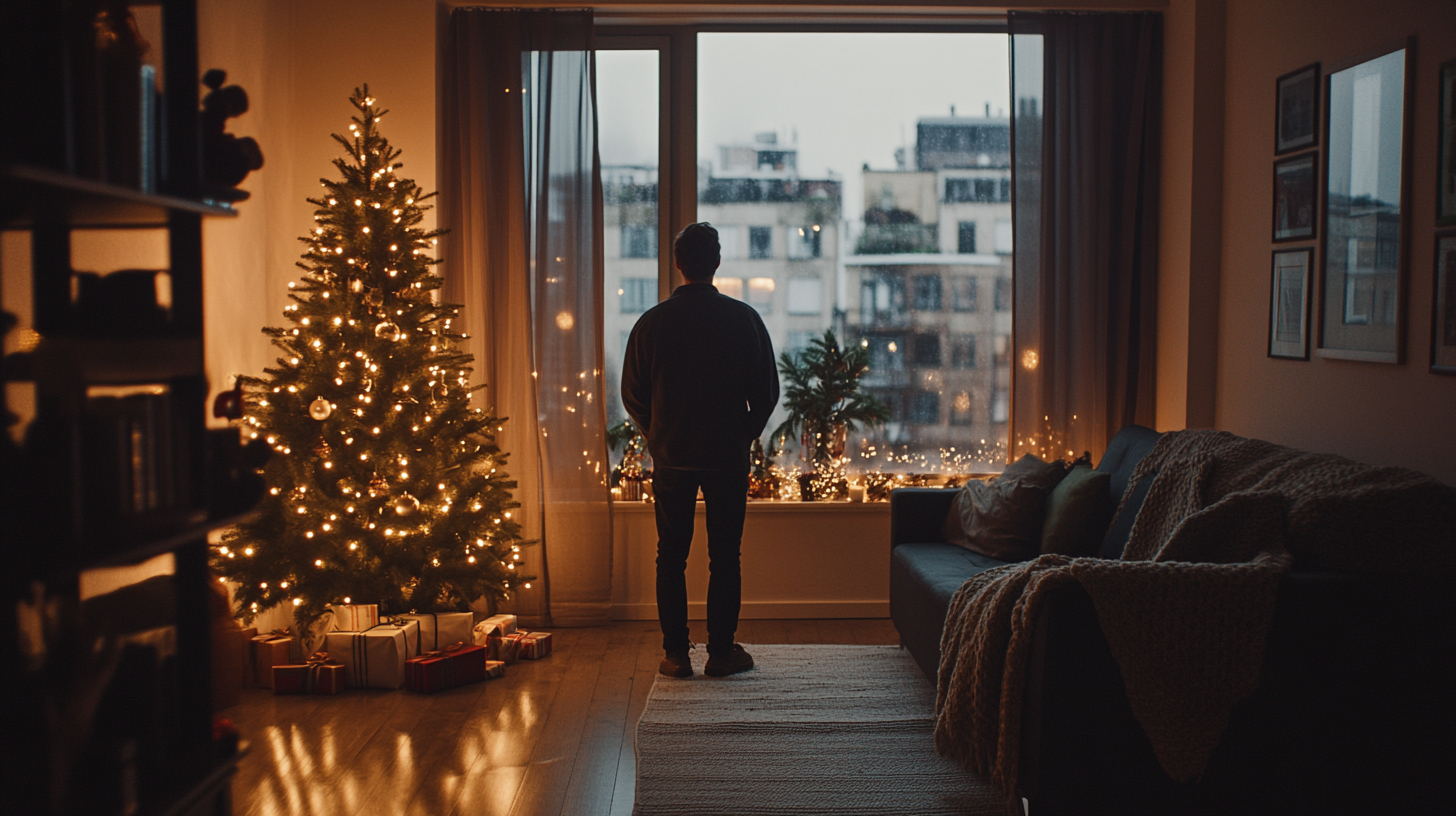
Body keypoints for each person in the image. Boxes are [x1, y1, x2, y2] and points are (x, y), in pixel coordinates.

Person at [621, 222, 780, 678]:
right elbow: (766, 390)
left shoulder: (651, 323)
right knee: (725, 556)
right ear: (716, 263)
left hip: (671, 455)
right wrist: (743, 433)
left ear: (678, 264)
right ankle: (721, 652)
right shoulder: (744, 318)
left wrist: (658, 434)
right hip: (726, 456)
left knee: (670, 554)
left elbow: (633, 392)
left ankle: (675, 654)